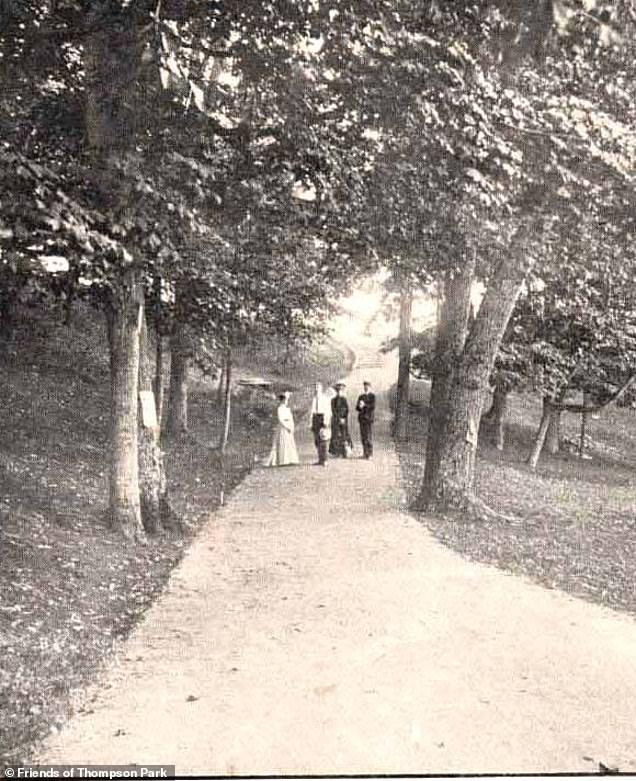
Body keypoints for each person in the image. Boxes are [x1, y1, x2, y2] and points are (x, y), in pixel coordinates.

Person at [266, 391, 299, 467]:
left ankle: (291, 459)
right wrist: (286, 427)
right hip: (283, 427)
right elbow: (280, 419)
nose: (286, 401)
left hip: (289, 426)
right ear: (283, 400)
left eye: (286, 400)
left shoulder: (287, 409)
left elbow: (291, 418)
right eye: (285, 400)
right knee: (282, 443)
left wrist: (291, 426)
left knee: (290, 443)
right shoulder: (280, 409)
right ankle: (283, 460)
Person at [309, 381, 332, 464]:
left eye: (318, 387)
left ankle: (324, 459)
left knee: (323, 438)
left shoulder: (325, 399)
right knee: (316, 440)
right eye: (315, 387)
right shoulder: (314, 399)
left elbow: (328, 411)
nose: (316, 389)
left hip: (322, 418)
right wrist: (310, 423)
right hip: (315, 419)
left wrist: (326, 421)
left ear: (321, 389)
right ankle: (320, 459)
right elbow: (312, 412)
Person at [329, 381, 352, 458]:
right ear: (336, 392)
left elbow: (346, 410)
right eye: (338, 391)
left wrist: (343, 418)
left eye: (341, 391)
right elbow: (333, 410)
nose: (339, 392)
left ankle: (345, 451)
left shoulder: (344, 400)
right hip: (336, 420)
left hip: (343, 420)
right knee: (336, 435)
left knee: (344, 435)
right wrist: (339, 418)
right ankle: (336, 451)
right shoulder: (333, 400)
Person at [356, 380, 376, 459]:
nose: (366, 387)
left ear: (370, 387)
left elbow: (372, 406)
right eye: (365, 386)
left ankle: (370, 454)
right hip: (362, 419)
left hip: (369, 419)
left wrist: (364, 405)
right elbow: (357, 408)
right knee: (363, 436)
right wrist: (359, 406)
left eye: (367, 386)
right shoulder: (361, 396)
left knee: (368, 436)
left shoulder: (372, 396)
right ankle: (365, 453)